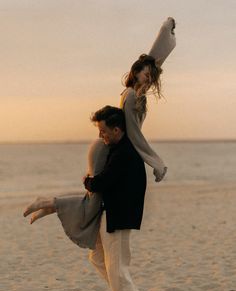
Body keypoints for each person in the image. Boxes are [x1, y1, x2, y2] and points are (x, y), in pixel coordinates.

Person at [23, 17, 176, 251]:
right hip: (104, 147)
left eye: (151, 77)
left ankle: (49, 205)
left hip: (106, 145)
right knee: (93, 202)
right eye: (146, 76)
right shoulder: (132, 96)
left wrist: (167, 30)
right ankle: (48, 203)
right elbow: (134, 135)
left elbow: (154, 60)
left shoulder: (135, 93)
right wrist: (156, 162)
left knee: (93, 200)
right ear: (135, 72)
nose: (149, 79)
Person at [84, 105, 147, 291]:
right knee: (98, 258)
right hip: (111, 213)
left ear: (117, 130)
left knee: (117, 268)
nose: (100, 136)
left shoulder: (124, 154)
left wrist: (87, 181)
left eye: (103, 131)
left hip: (119, 217)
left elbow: (100, 182)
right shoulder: (117, 149)